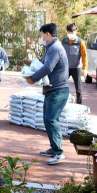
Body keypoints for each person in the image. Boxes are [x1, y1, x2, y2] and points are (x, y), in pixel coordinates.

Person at [26, 23, 70, 165]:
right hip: (52, 90)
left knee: (51, 119)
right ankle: (53, 147)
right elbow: (44, 66)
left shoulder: (56, 48)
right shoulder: (50, 48)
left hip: (58, 90)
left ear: (48, 34)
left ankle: (58, 152)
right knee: (47, 119)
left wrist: (33, 79)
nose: (41, 38)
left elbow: (48, 67)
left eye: (42, 35)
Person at [62, 23, 88, 104]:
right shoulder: (64, 41)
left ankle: (79, 104)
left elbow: (84, 56)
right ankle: (62, 103)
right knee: (62, 86)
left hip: (76, 68)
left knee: (78, 89)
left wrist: (85, 69)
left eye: (72, 32)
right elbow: (60, 54)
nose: (70, 34)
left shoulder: (80, 42)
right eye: (68, 32)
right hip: (66, 68)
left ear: (76, 31)